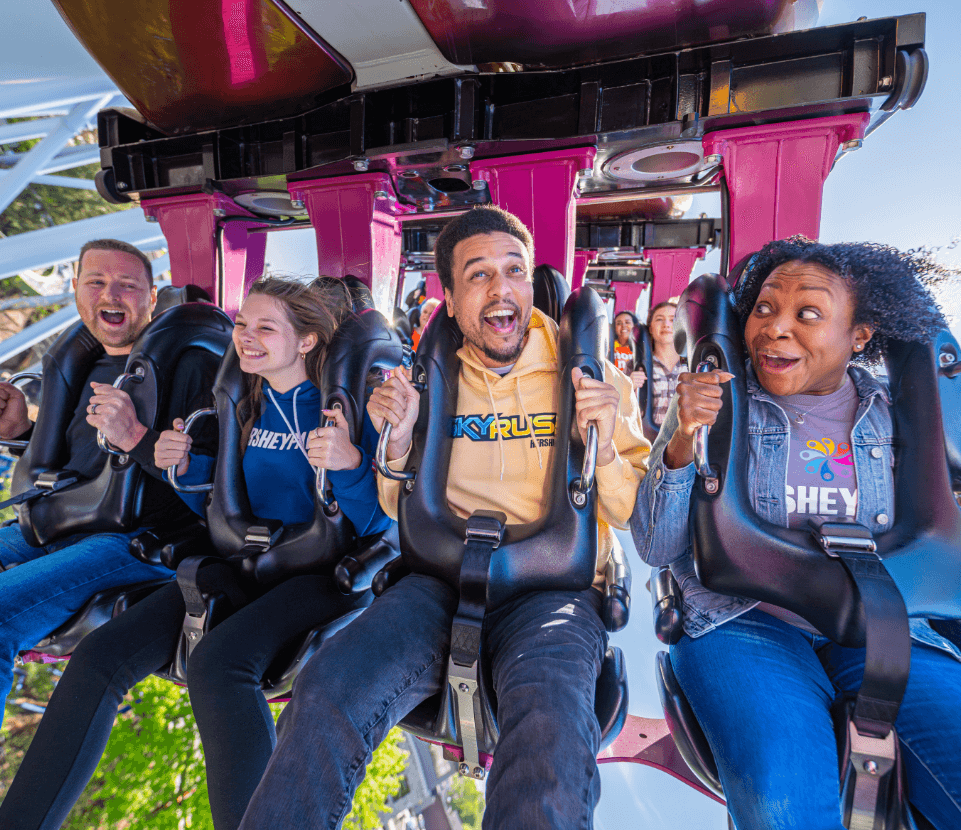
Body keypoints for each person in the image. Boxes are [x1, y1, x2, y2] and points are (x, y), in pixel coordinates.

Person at [236, 206, 650, 830]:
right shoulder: (432, 382)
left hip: (552, 592)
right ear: (452, 301)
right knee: (325, 690)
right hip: (440, 581)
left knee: (550, 737)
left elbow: (633, 512)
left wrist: (606, 433)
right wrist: (397, 441)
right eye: (478, 275)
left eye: (512, 270)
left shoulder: (591, 376)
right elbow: (395, 506)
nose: (500, 289)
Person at [0, 277, 392, 830]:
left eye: (265, 327)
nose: (246, 338)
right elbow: (223, 499)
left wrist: (350, 463)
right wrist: (182, 468)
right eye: (241, 325)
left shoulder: (341, 406)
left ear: (305, 341)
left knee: (219, 664)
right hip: (244, 561)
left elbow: (378, 521)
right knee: (99, 658)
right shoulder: (246, 403)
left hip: (319, 572)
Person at [631, 237, 961, 830]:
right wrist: (681, 439)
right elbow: (655, 545)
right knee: (787, 809)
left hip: (883, 621)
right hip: (746, 619)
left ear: (859, 334)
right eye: (763, 309)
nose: (775, 329)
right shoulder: (723, 407)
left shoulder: (899, 414)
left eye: (807, 314)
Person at [0, 238, 215, 726]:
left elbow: (213, 486)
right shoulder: (79, 362)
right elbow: (77, 464)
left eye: (127, 285)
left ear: (151, 298)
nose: (110, 295)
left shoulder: (187, 362)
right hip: (60, 519)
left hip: (137, 540)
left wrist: (137, 438)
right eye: (96, 282)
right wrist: (20, 434)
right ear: (75, 289)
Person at [631, 301, 686, 424]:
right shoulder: (635, 365)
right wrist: (628, 387)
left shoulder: (692, 366)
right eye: (659, 319)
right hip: (648, 439)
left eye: (672, 320)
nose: (666, 324)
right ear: (650, 328)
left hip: (685, 440)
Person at [613, 310, 637, 375]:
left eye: (627, 322)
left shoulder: (640, 348)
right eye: (618, 323)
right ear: (614, 328)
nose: (623, 326)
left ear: (635, 326)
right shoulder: (609, 347)